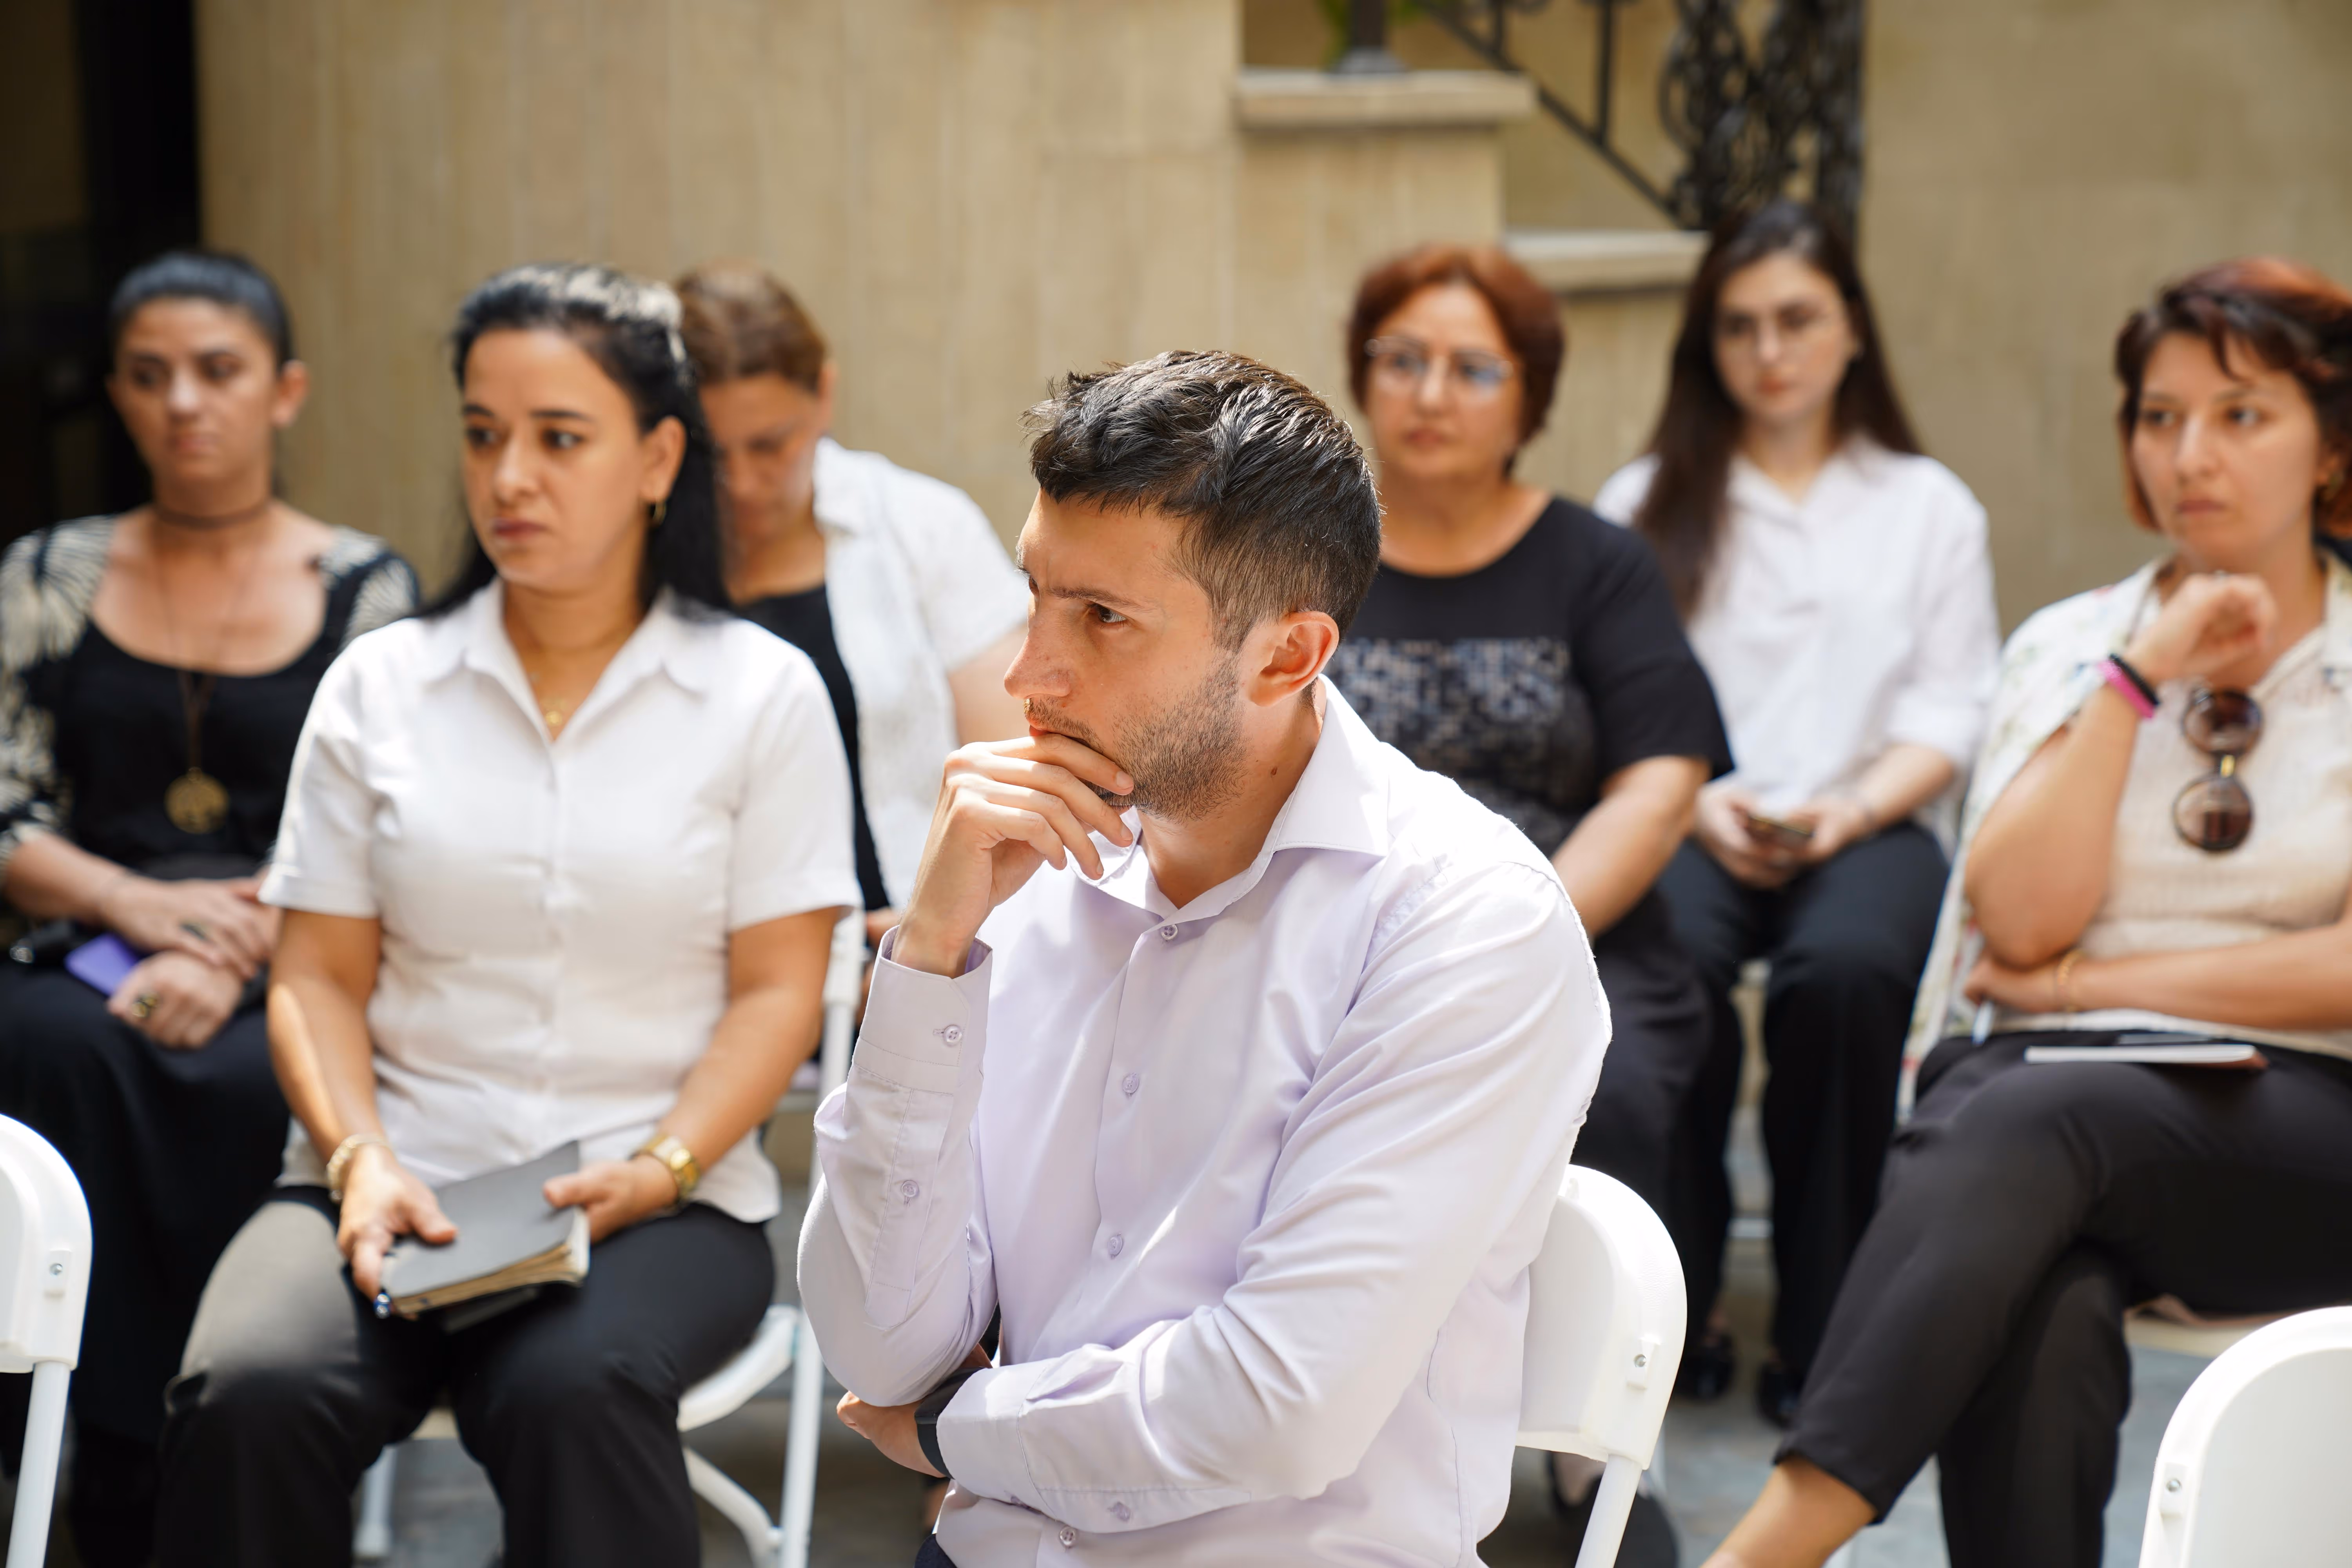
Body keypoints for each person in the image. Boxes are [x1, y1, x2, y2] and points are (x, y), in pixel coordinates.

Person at [800, 350, 1609, 1566]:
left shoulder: (1463, 919)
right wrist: (927, 961)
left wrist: (961, 1431)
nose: (1028, 676)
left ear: (1287, 656)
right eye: (1036, 595)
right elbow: (877, 1347)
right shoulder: (1023, 878)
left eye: (1103, 620)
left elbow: (1282, 1408)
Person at [152, 262, 858, 1567]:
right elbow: (313, 977)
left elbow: (779, 990)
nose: (509, 478)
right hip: (388, 1176)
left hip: (665, 1198)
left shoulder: (763, 695)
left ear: (657, 460)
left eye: (558, 439)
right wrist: (360, 1158)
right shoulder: (383, 687)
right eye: (483, 435)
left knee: (569, 1390)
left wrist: (664, 1169)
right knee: (249, 1389)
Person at [1702, 258, 2352, 1568]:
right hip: (2064, 1123)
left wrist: (2078, 996)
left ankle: (1767, 1550)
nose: (2190, 455)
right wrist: (2133, 682)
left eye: (2241, 415)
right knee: (2049, 1300)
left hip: (2308, 1139)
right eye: (2158, 416)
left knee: (2030, 1106)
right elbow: (2015, 916)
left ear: (2333, 445)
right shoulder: (2072, 646)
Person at [0, 250, 415, 1566]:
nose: (186, 402)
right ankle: (86, 1466)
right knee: (55, 1055)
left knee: (267, 1076)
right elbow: (5, 802)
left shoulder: (366, 586)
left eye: (219, 372)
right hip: (80, 941)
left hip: (295, 943)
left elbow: (389, 821)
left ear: (284, 391)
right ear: (117, 398)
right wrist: (140, 905)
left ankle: (247, 1456)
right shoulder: (45, 572)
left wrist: (240, 946)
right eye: (150, 377)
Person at [1329, 243, 1730, 1561]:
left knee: (1605, 1099)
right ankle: (1339, 1422)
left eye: (1470, 367)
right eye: (1402, 360)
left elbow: (1662, 779)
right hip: (1342, 935)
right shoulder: (1311, 556)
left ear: (1528, 397)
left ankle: (1579, 1452)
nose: (1430, 392)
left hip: (1578, 934)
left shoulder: (1594, 561)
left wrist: (1513, 934)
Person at [1592, 199, 2000, 1423]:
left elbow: (1956, 704)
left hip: (1866, 824)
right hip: (1696, 817)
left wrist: (1848, 815)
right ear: (1706, 345)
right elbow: (1628, 694)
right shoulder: (1648, 497)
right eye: (1740, 327)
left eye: (1799, 320)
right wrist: (1701, 802)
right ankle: (1679, 1304)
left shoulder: (1930, 505)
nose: (1772, 351)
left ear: (1853, 331)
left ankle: (1823, 1330)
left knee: (1847, 976)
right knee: (1669, 981)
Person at [677, 262, 1028, 943]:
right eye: (711, 454)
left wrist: (927, 937)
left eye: (770, 445)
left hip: (898, 952)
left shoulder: (922, 529)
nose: (743, 484)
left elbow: (1017, 768)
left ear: (824, 396)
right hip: (703, 972)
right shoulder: (637, 560)